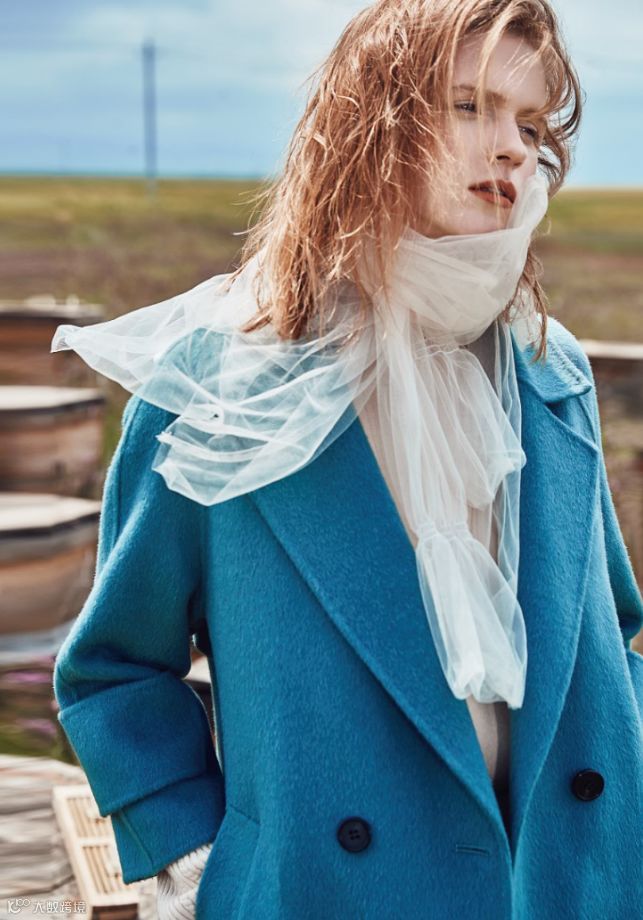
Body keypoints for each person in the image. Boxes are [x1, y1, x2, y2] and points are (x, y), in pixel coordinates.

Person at [51, 1, 643, 918]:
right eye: (468, 106)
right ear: (371, 123)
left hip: (573, 888)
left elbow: (611, 632)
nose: (511, 148)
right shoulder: (221, 380)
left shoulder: (547, 368)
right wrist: (195, 864)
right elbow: (115, 665)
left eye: (530, 126)